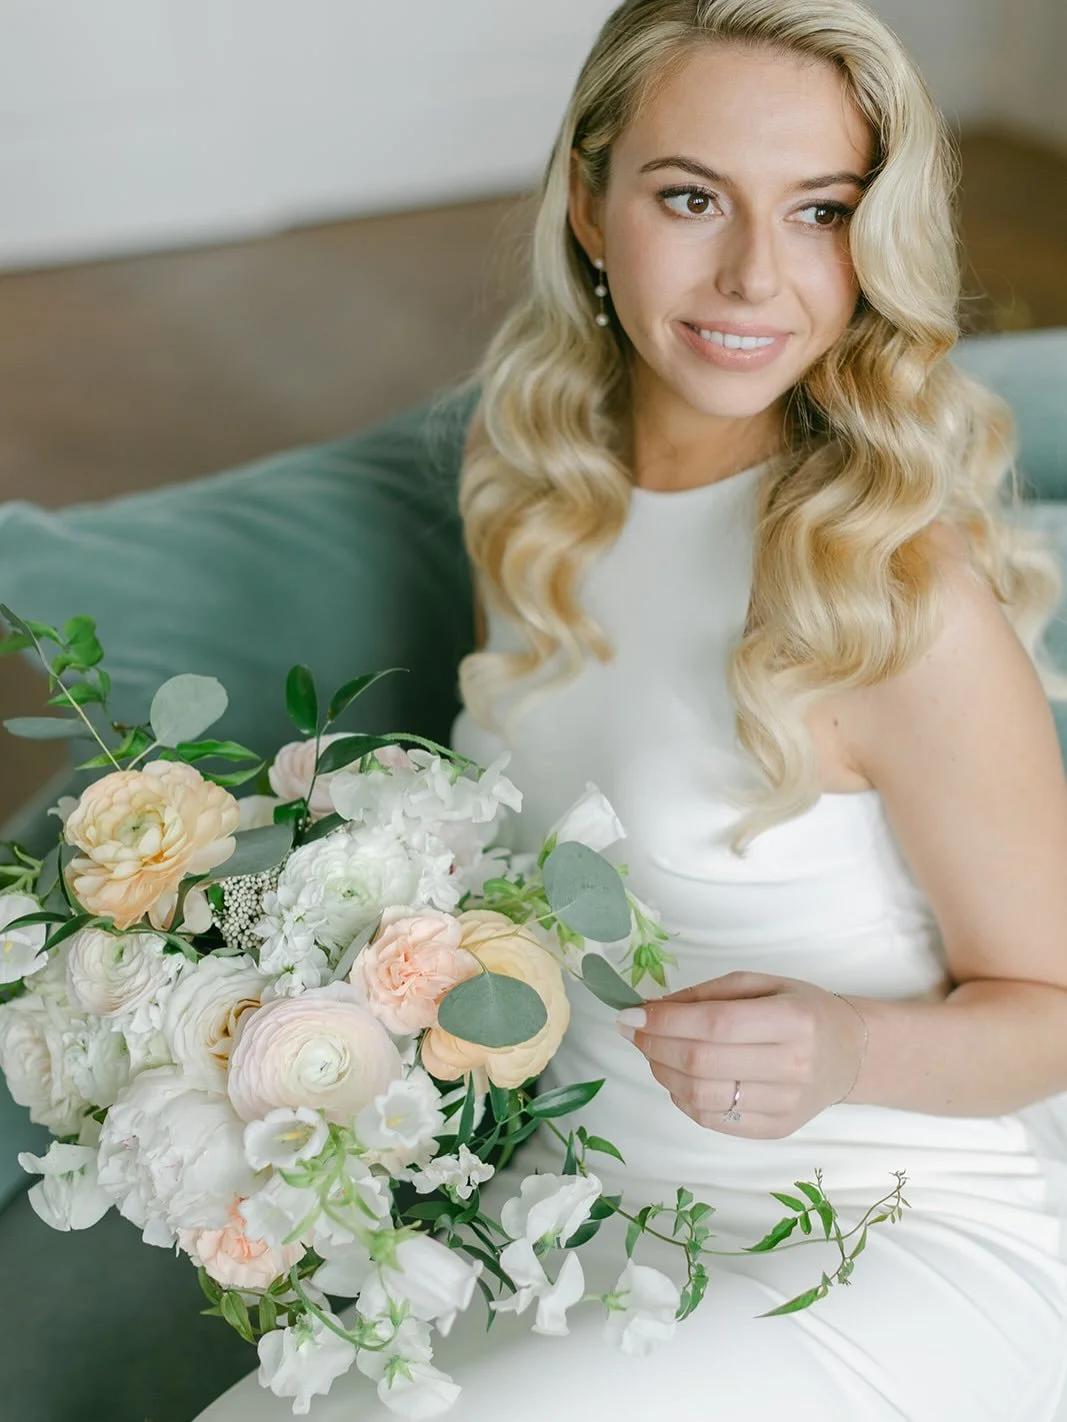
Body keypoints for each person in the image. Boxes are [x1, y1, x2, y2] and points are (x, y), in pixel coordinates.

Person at [197, 3, 1067, 1419]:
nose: (750, 277)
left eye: (819, 212)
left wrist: (849, 1045)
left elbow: (1053, 1005)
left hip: (876, 1235)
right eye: (687, 197)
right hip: (576, 1215)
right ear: (592, 206)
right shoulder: (533, 478)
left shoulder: (888, 588)